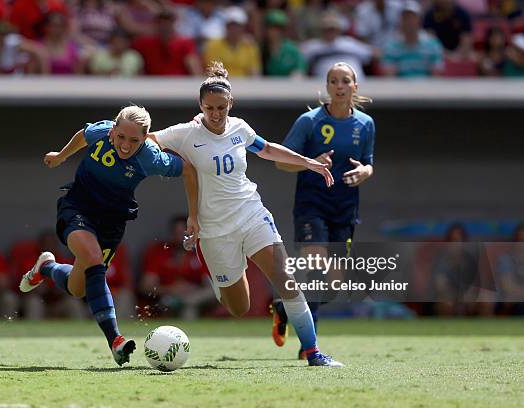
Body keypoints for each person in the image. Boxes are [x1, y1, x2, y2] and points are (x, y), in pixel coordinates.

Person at [150, 61, 343, 367]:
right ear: (200, 106)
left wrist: (308, 162)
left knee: (286, 280)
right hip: (214, 231)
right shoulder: (185, 133)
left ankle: (313, 352)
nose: (216, 114)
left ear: (231, 104)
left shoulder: (240, 128)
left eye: (221, 108)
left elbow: (266, 150)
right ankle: (231, 286)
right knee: (238, 307)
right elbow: (147, 140)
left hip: (251, 213)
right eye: (210, 108)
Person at [19, 105, 199, 367]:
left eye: (134, 140)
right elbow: (83, 135)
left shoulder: (151, 158)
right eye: (121, 137)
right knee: (93, 260)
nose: (125, 145)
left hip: (111, 224)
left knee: (77, 287)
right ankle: (115, 340)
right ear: (113, 130)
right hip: (77, 207)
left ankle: (46, 267)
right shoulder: (102, 132)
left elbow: (188, 170)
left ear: (145, 138)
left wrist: (193, 215)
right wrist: (61, 156)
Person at [272, 62, 375, 359]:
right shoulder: (309, 121)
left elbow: (368, 162)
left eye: (345, 81)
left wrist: (364, 173)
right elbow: (281, 162)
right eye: (333, 81)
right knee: (315, 265)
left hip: (344, 209)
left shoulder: (366, 124)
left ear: (355, 87)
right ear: (327, 87)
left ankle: (285, 307)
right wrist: (309, 162)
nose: (339, 85)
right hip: (311, 205)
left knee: (332, 287)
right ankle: (310, 346)